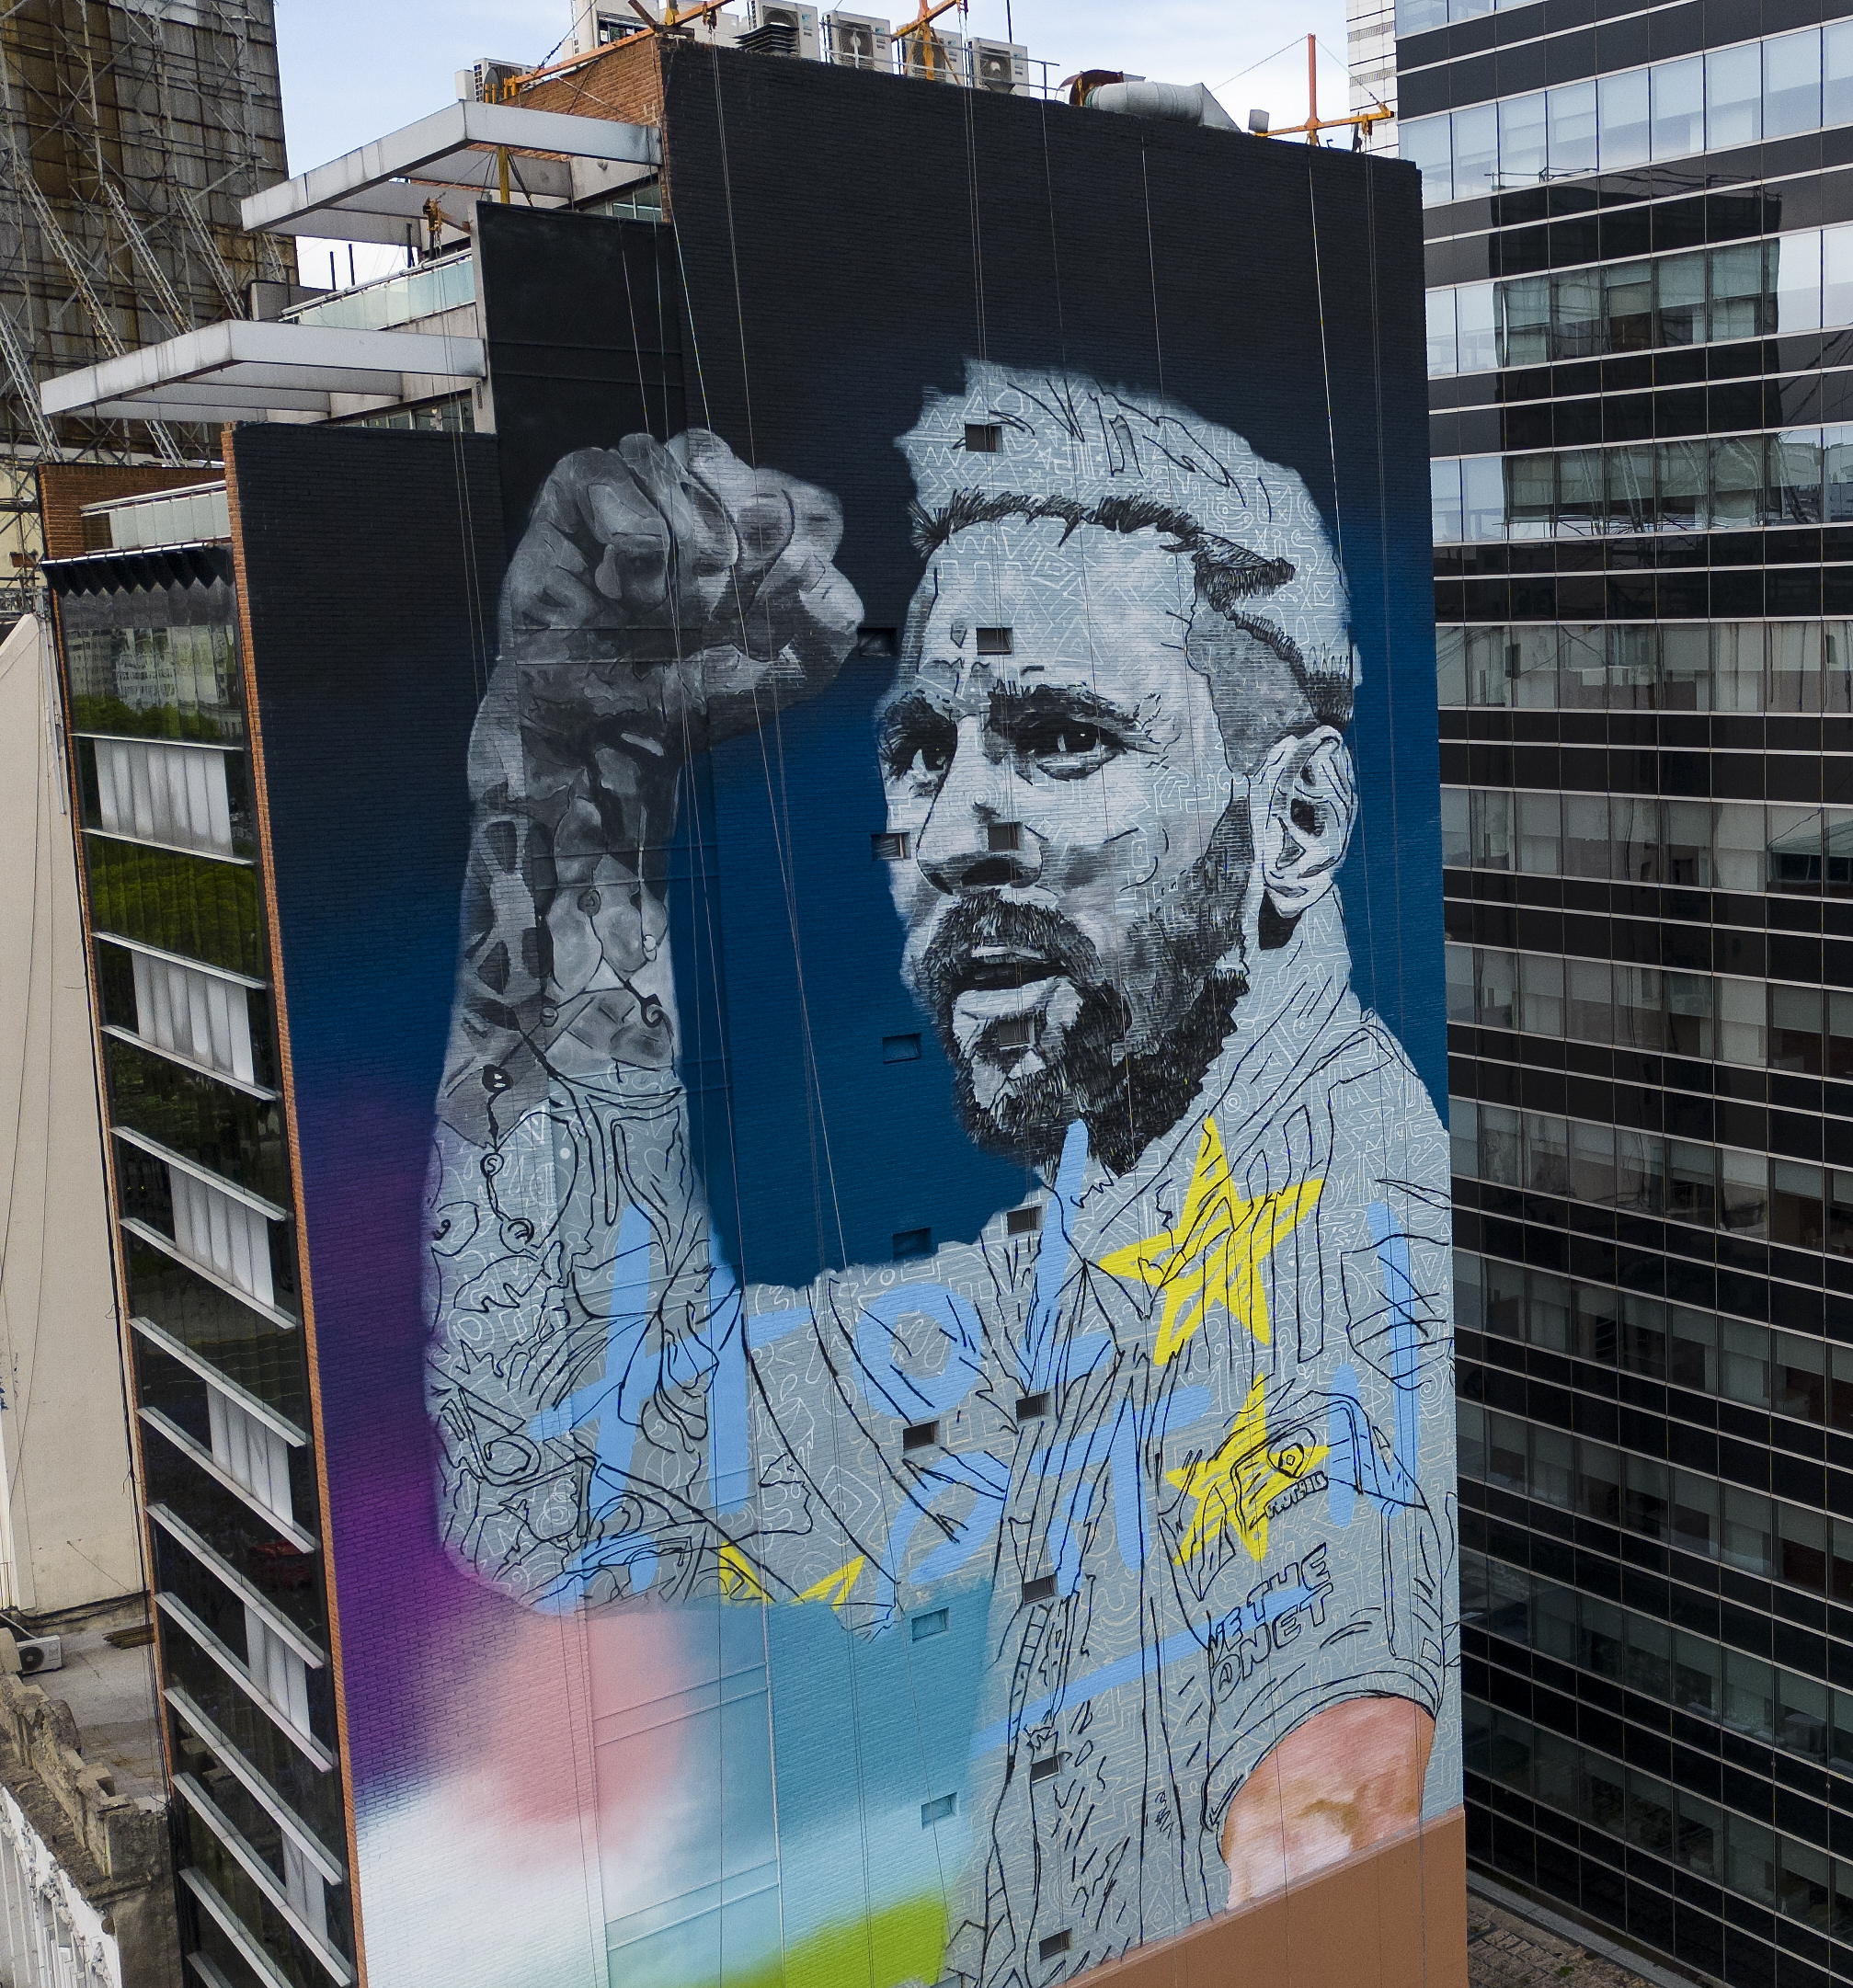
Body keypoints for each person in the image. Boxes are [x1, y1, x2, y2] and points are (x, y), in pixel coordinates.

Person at [423, 363, 1453, 1984]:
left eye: (1060, 736)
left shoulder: (1324, 1231)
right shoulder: (1086, 1267)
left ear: (1300, 823)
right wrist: (571, 771)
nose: (956, 825)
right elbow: (568, 1470)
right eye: (923, 751)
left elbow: (1330, 1776)